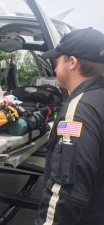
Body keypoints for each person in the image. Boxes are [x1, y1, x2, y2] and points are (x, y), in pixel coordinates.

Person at [35, 27, 104, 225]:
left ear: (72, 62)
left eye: (57, 61)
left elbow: (66, 193)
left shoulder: (77, 113)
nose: (54, 68)